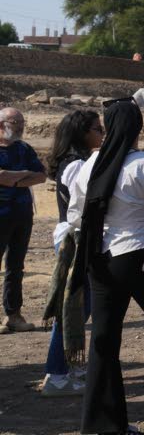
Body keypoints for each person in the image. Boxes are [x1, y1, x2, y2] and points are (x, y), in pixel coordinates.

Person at [66, 99, 144, 435]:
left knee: (104, 340)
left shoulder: (90, 164)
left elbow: (76, 215)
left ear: (106, 128)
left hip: (100, 259)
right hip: (141, 255)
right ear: (138, 128)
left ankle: (105, 425)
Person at [39, 110, 102, 395]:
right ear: (82, 133)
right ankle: (56, 375)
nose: (102, 134)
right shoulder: (76, 165)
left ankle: (68, 367)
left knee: (79, 308)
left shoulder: (76, 161)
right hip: (74, 240)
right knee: (72, 309)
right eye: (97, 129)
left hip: (74, 237)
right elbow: (85, 205)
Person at [0, 107, 46, 334]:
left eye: (21, 122)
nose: (20, 127)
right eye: (15, 122)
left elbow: (41, 175)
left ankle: (14, 315)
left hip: (22, 215)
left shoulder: (24, 149)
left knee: (16, 267)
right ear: (1, 124)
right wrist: (24, 174)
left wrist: (14, 179)